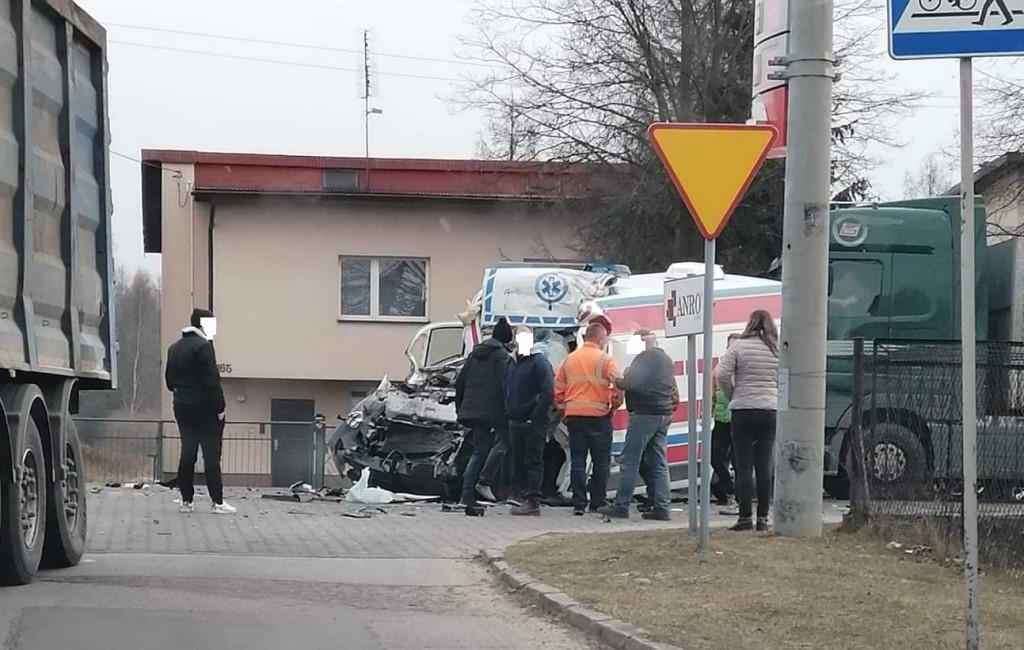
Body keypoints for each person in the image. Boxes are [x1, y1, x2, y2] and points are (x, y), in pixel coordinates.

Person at [599, 328, 677, 521]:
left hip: (644, 414)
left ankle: (621, 505)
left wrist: (616, 379)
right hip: (663, 413)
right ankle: (662, 507)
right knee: (659, 463)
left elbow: (629, 383)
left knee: (629, 461)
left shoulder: (645, 358)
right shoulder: (666, 360)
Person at [165, 308, 236, 514]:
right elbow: (212, 381)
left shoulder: (174, 348)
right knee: (211, 455)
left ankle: (186, 501)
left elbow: (169, 382)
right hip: (204, 409)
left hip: (181, 406)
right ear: (204, 325)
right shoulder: (204, 347)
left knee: (187, 453)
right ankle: (218, 501)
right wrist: (220, 408)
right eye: (212, 324)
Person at [715, 310, 780, 532]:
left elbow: (722, 373)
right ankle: (763, 517)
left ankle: (744, 517)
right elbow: (786, 375)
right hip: (769, 410)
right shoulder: (776, 348)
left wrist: (732, 393)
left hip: (743, 409)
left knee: (743, 465)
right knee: (764, 465)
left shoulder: (738, 346)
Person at [554, 321, 621, 516]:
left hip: (575, 416)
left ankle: (579, 503)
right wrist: (613, 407)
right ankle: (597, 502)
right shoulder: (606, 360)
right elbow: (618, 385)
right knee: (601, 462)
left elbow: (558, 388)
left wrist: (564, 407)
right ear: (601, 339)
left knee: (578, 461)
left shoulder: (569, 360)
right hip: (599, 416)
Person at [455, 317, 515, 506]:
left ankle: (467, 495)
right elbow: (506, 387)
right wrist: (510, 411)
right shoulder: (502, 357)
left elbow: (460, 383)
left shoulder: (475, 355)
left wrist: (461, 409)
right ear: (507, 338)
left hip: (473, 412)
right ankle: (488, 486)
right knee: (505, 445)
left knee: (478, 451)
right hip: (494, 413)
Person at [506, 326, 555, 516]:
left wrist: (536, 415)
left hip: (533, 421)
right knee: (518, 460)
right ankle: (520, 496)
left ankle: (532, 500)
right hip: (515, 419)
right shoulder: (511, 362)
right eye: (519, 336)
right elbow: (507, 387)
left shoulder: (539, 361)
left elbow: (548, 391)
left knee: (533, 459)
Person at [710, 334, 739, 511]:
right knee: (715, 458)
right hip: (721, 419)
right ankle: (730, 492)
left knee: (738, 461)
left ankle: (736, 499)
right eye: (730, 347)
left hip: (738, 420)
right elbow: (713, 393)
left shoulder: (744, 369)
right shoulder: (719, 370)